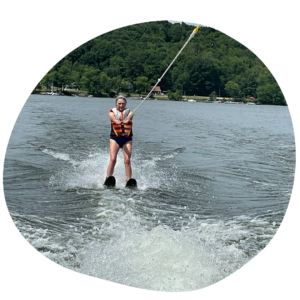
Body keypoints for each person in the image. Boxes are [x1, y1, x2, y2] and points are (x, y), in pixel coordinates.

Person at [106, 95, 134, 182]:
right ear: (116, 104)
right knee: (113, 159)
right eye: (119, 104)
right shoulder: (112, 112)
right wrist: (116, 120)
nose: (121, 105)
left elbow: (130, 116)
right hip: (115, 139)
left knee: (127, 160)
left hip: (127, 139)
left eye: (123, 104)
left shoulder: (130, 112)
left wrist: (127, 119)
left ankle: (128, 180)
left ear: (126, 104)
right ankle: (108, 178)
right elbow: (112, 117)